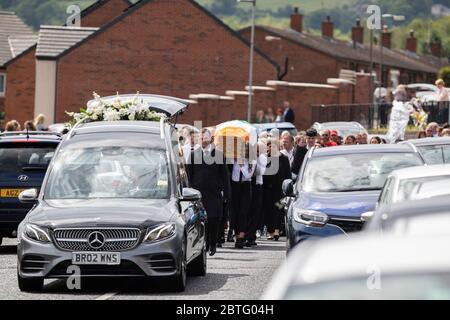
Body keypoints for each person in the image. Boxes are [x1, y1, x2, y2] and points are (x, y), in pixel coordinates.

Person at [186, 128, 230, 256]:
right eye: (201, 138)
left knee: (214, 219)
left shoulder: (218, 154)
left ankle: (213, 244)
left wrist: (226, 194)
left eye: (205, 138)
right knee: (201, 220)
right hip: (198, 193)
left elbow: (224, 175)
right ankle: (203, 244)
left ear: (210, 139)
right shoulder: (194, 154)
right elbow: (189, 174)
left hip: (214, 192)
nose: (203, 141)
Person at [263, 139, 291, 241]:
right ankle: (270, 231)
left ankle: (277, 230)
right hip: (267, 190)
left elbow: (288, 174)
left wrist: (288, 189)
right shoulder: (265, 158)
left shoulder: (284, 158)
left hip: (280, 191)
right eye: (269, 146)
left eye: (273, 146)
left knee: (278, 210)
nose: (271, 148)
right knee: (268, 210)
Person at [231, 143, 256, 249]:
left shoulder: (252, 162)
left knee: (243, 211)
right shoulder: (234, 160)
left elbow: (248, 175)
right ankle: (237, 234)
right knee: (235, 211)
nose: (243, 152)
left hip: (246, 186)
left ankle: (241, 236)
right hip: (235, 186)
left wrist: (241, 166)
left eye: (245, 150)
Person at [247, 141, 267, 247]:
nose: (257, 152)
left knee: (255, 212)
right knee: (247, 211)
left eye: (258, 150)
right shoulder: (249, 157)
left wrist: (254, 161)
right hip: (248, 185)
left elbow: (260, 171)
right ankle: (246, 234)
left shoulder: (262, 158)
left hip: (257, 186)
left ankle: (251, 236)